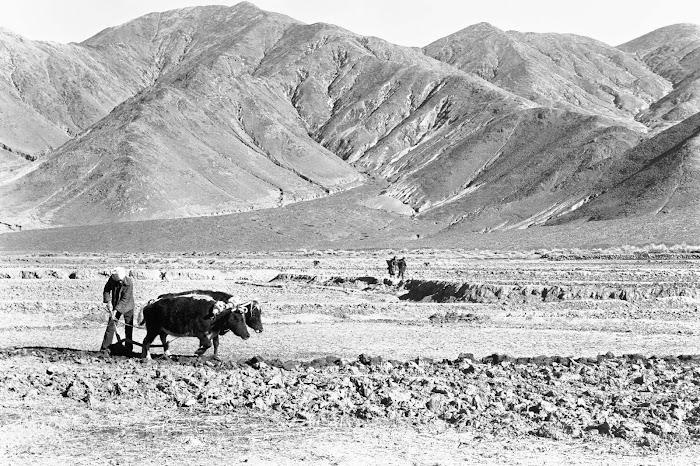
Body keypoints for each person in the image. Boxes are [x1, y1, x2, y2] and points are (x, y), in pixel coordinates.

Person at [100, 267, 135, 354]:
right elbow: (106, 290)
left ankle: (128, 348)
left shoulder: (129, 283)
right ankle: (104, 349)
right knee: (111, 326)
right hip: (115, 304)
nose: (118, 282)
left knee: (128, 327)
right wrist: (108, 301)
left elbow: (125, 299)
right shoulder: (112, 279)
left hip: (128, 307)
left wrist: (116, 310)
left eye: (120, 281)